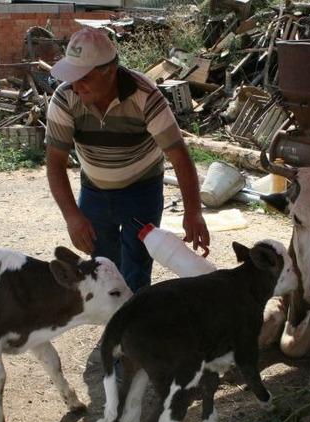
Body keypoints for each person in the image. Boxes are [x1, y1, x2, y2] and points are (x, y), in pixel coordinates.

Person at [45, 27, 210, 293]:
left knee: (136, 266)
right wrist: (72, 217)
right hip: (94, 191)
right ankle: (113, 328)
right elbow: (54, 162)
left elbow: (179, 156)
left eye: (83, 77)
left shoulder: (145, 96)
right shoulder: (65, 98)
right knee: (102, 267)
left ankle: (133, 328)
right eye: (72, 76)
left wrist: (193, 212)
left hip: (142, 190)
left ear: (108, 71)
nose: (76, 85)